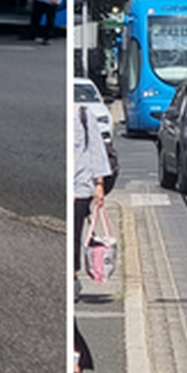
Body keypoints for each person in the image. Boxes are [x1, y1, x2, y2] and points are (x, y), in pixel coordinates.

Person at [74, 103, 112, 297]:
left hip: (80, 191)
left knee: (73, 250)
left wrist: (99, 184)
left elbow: (97, 151)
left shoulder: (83, 114)